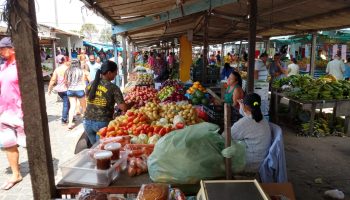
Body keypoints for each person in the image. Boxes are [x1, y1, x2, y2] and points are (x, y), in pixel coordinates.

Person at [0, 37, 25, 190]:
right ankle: (16, 174)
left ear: (12, 48)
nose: (1, 51)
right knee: (9, 143)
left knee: (29, 143)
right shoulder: (2, 67)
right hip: (4, 112)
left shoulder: (21, 66)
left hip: (21, 112)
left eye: (3, 48)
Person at [84, 61, 129, 144]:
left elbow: (87, 96)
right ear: (109, 73)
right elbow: (123, 108)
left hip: (87, 122)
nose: (116, 75)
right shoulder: (113, 88)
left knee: (96, 150)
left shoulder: (91, 84)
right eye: (115, 73)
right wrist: (131, 104)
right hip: (101, 123)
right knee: (101, 149)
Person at [231, 93, 271, 172]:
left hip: (250, 164)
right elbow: (246, 112)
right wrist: (242, 104)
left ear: (245, 106)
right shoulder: (261, 117)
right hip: (260, 159)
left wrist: (241, 105)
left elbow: (225, 136)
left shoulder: (244, 123)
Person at [48, 56, 70, 124]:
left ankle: (70, 116)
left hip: (59, 90)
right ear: (64, 61)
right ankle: (64, 119)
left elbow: (53, 80)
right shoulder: (68, 69)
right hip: (67, 89)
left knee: (68, 103)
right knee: (66, 104)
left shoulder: (57, 70)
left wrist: (49, 89)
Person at [65, 59, 86, 129]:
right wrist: (85, 90)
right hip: (79, 90)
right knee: (83, 107)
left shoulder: (67, 71)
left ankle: (70, 124)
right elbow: (83, 82)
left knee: (72, 107)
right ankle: (86, 122)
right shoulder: (81, 71)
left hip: (70, 90)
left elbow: (66, 82)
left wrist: (69, 87)